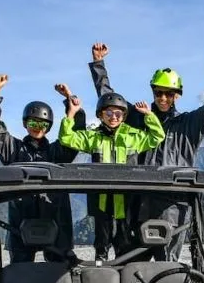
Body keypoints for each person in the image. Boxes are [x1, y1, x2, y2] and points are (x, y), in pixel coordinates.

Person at [85, 42, 204, 261]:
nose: (163, 98)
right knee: (130, 268)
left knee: (166, 268)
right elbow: (109, 100)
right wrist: (98, 63)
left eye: (169, 94)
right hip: (137, 205)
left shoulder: (189, 124)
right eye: (159, 93)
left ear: (177, 96)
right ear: (153, 92)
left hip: (173, 206)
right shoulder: (137, 117)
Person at [0, 73, 87, 263]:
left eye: (42, 124)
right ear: (25, 124)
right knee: (20, 273)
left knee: (57, 277)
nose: (37, 127)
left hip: (55, 219)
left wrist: (69, 97)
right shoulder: (13, 149)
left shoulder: (58, 152)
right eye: (32, 123)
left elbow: (78, 134)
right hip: (21, 222)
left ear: (48, 127)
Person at [56, 91, 165, 260]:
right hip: (101, 201)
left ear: (124, 115)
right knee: (102, 242)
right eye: (108, 113)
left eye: (118, 113)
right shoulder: (94, 137)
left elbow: (157, 136)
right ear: (100, 115)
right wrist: (71, 113)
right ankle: (101, 272)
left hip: (126, 200)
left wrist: (149, 115)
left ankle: (124, 274)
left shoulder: (133, 136)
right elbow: (66, 138)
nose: (113, 117)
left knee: (125, 243)